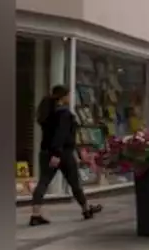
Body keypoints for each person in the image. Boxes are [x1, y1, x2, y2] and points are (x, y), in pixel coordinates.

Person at [28, 85, 103, 226]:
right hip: (62, 153)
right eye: (69, 95)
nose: (70, 98)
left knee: (43, 181)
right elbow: (61, 134)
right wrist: (57, 153)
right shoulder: (64, 113)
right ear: (63, 97)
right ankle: (86, 209)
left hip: (46, 151)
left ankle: (35, 214)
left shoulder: (47, 112)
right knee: (74, 182)